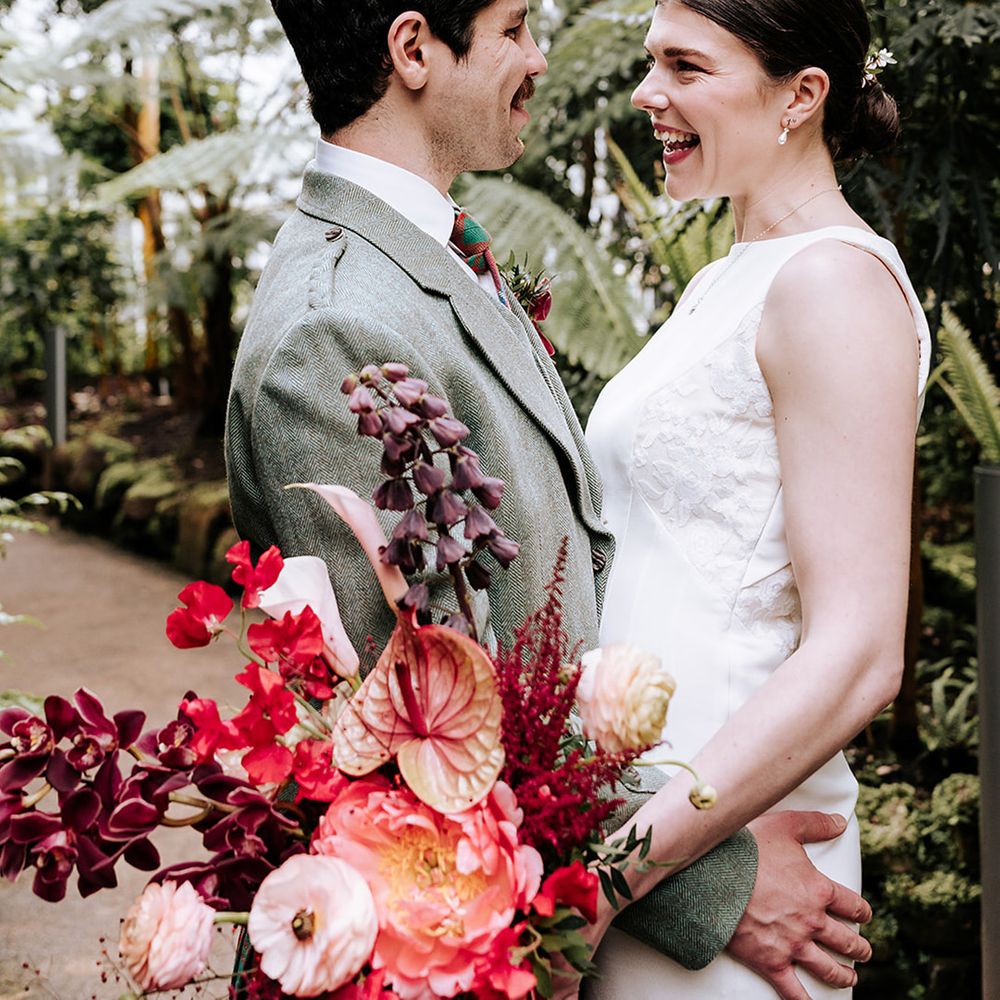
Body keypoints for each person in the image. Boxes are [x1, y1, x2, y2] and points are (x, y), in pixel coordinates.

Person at [225, 0, 874, 993]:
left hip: (645, 850)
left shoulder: (428, 256)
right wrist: (713, 882)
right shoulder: (337, 328)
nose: (542, 57)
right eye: (517, 26)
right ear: (411, 49)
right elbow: (425, 736)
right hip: (529, 912)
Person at [581, 0, 931, 996]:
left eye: (686, 67)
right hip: (659, 846)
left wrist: (614, 873)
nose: (649, 94)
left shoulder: (833, 284)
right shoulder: (727, 280)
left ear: (800, 96)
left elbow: (859, 649)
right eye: (650, 64)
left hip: (717, 849)